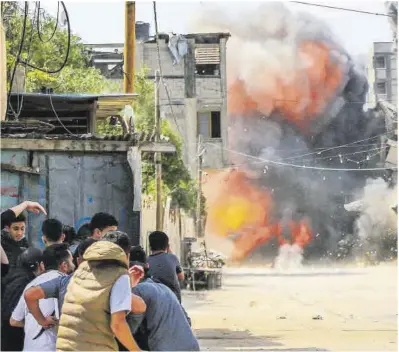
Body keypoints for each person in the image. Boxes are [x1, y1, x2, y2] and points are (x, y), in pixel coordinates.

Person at [25, 238, 146, 332]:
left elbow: (30, 295)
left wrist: (42, 321)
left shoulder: (63, 282)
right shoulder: (110, 284)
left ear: (78, 261)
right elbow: (139, 307)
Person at [56, 231, 141, 351]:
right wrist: (136, 350)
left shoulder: (82, 270)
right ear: (127, 256)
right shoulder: (119, 275)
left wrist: (129, 286)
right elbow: (118, 324)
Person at [128, 246, 200, 351]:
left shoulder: (137, 291)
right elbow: (187, 321)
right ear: (147, 266)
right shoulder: (163, 287)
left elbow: (129, 330)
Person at [10, 244, 75, 351]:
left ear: (43, 265)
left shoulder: (31, 284)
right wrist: (43, 321)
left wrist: (35, 322)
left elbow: (14, 321)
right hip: (51, 347)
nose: (74, 265)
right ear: (64, 265)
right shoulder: (65, 282)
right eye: (72, 261)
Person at [1, 248, 44, 351]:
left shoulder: (14, 276)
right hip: (16, 337)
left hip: (7, 334)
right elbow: (14, 319)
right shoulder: (27, 283)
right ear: (38, 265)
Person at [147, 231, 185, 302]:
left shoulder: (146, 261)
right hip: (173, 301)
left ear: (150, 246)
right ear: (167, 246)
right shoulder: (173, 258)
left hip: (154, 302)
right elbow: (181, 277)